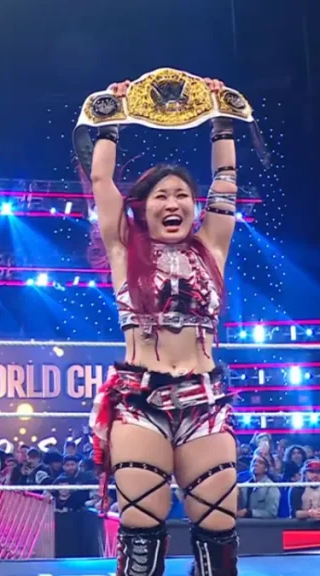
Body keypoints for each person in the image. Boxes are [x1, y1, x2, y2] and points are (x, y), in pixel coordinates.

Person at [85, 77, 240, 576]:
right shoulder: (123, 248)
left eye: (182, 196)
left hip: (204, 398)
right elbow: (102, 181)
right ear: (143, 206)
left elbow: (226, 178)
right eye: (161, 196)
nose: (173, 204)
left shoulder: (212, 245)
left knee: (219, 534)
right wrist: (111, 119)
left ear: (195, 207)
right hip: (139, 399)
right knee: (141, 534)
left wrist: (221, 121)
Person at [237, 453, 279, 519]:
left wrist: (250, 512)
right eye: (254, 462)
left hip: (260, 524)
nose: (255, 464)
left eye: (260, 462)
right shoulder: (243, 486)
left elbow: (271, 513)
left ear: (266, 468)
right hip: (242, 523)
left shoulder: (271, 487)